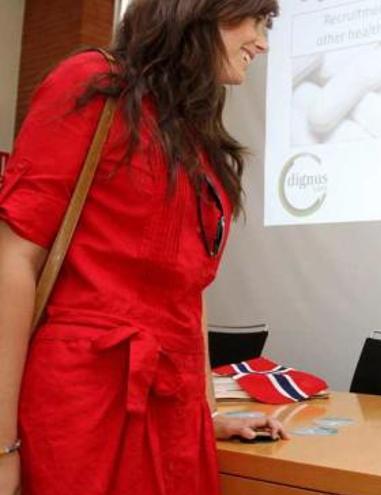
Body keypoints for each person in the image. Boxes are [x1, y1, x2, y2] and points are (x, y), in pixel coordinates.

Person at [0, 1, 288, 494]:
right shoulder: (93, 83)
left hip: (174, 412)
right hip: (87, 402)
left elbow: (188, 292)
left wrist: (205, 413)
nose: (263, 42)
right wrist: (2, 448)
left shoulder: (194, 132)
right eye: (256, 20)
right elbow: (14, 257)